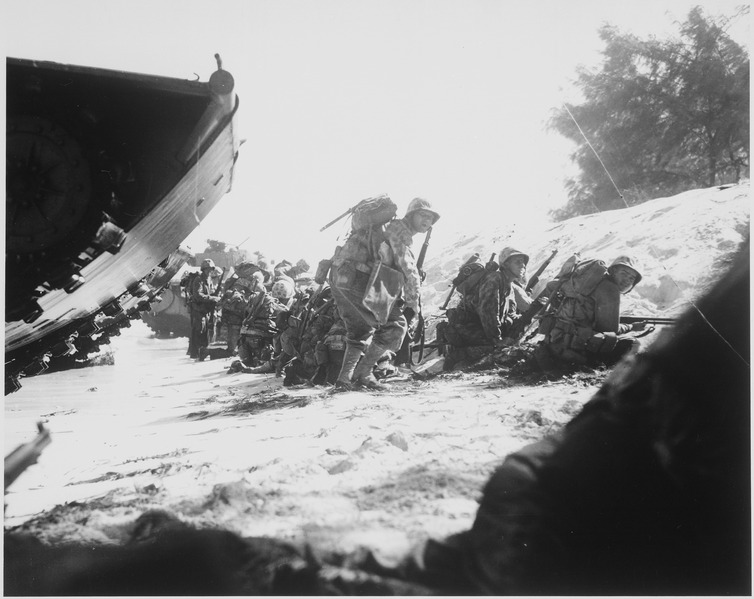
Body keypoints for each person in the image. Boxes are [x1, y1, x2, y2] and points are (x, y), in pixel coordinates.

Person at [329, 197, 440, 390]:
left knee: (359, 331)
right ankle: (363, 373)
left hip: (341, 278)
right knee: (396, 326)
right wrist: (414, 304)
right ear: (411, 215)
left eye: (430, 218)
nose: (427, 221)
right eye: (422, 215)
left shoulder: (382, 229)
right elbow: (409, 270)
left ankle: (344, 380)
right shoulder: (398, 231)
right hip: (359, 279)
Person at [536, 254, 646, 369]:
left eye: (631, 278)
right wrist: (631, 327)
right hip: (577, 355)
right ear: (613, 270)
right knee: (633, 344)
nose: (627, 281)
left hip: (553, 345)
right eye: (624, 274)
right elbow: (609, 330)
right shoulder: (610, 288)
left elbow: (551, 287)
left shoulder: (582, 283)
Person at [439, 247, 531, 368]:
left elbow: (510, 315)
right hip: (468, 328)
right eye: (517, 261)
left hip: (483, 329)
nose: (522, 265)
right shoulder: (494, 279)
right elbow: (488, 313)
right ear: (506, 264)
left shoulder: (509, 286)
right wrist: (497, 340)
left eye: (523, 262)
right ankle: (457, 355)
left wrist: (524, 319)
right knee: (496, 350)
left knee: (510, 343)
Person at [190, 259, 221, 361]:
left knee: (206, 331)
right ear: (203, 269)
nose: (209, 271)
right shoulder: (198, 280)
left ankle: (202, 352)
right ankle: (196, 353)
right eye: (207, 269)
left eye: (211, 269)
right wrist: (212, 298)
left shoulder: (209, 280)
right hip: (199, 309)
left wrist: (215, 295)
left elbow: (210, 293)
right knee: (199, 330)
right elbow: (198, 295)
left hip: (206, 310)